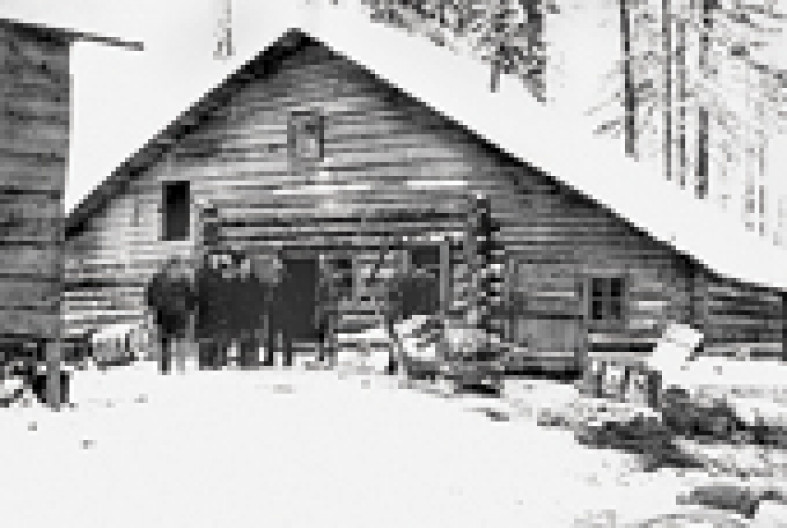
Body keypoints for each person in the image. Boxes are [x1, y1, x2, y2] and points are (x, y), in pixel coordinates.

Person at [145, 257, 196, 375]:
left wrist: (189, 312)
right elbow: (150, 297)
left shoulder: (185, 281)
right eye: (173, 267)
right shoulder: (158, 280)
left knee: (180, 343)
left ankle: (181, 369)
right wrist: (153, 309)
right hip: (163, 316)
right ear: (167, 267)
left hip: (180, 317)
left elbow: (191, 298)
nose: (175, 270)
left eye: (178, 267)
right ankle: (164, 370)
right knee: (164, 344)